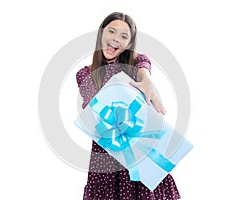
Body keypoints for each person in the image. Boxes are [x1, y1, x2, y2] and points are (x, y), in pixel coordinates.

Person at [76, 12, 180, 200]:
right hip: (107, 153)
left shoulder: (136, 65)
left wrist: (146, 79)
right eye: (112, 32)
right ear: (101, 33)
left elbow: (143, 65)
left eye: (124, 36)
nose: (115, 39)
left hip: (139, 149)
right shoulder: (85, 74)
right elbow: (95, 107)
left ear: (130, 43)